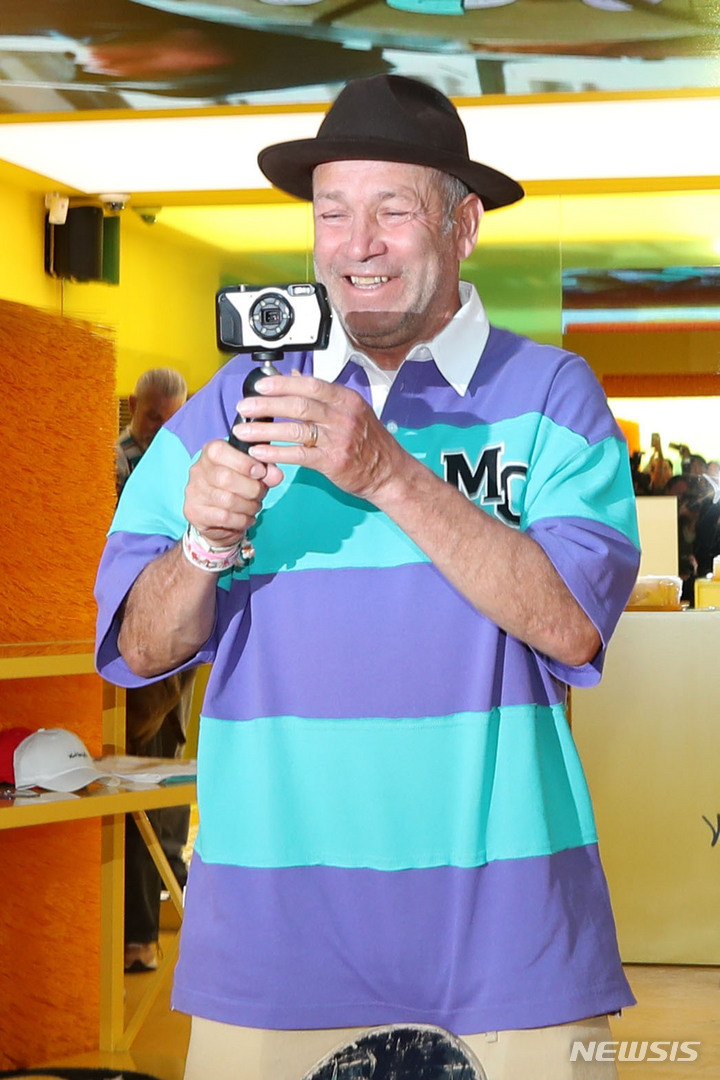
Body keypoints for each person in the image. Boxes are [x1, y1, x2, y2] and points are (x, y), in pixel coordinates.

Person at [95, 74, 641, 1077]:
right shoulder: (233, 405)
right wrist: (205, 543)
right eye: (333, 212)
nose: (359, 243)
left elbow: (572, 623)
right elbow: (138, 645)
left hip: (509, 941)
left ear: (463, 226)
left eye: (394, 210)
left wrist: (389, 471)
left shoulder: (553, 394)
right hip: (271, 941)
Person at [116, 366, 195, 973]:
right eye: (150, 417)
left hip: (179, 646)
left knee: (165, 775)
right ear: (133, 408)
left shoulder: (194, 459)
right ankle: (138, 932)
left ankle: (158, 914)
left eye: (170, 419)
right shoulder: (112, 465)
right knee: (137, 784)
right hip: (128, 642)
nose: (158, 429)